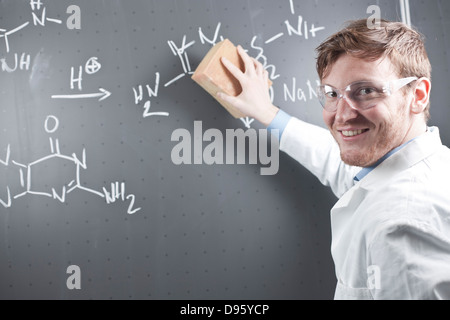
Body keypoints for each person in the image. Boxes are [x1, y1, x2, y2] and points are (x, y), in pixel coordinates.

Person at [217, 19, 450, 300]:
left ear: (418, 95)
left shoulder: (403, 225)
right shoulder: (411, 165)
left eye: (366, 91)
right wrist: (266, 112)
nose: (341, 115)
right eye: (332, 94)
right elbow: (337, 163)